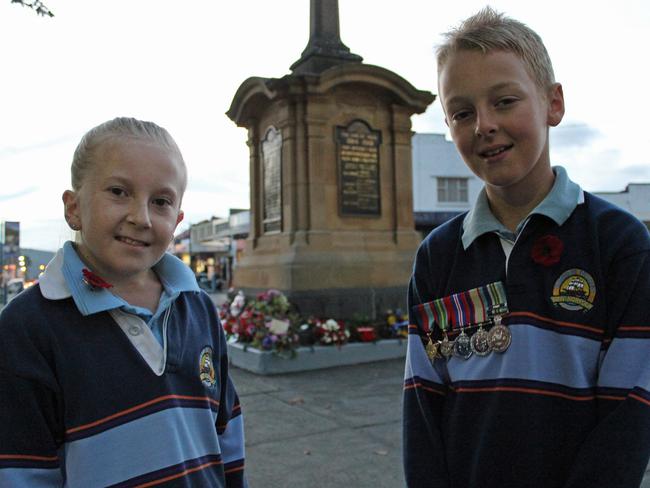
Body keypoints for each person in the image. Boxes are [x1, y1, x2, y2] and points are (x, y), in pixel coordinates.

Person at [403, 7, 650, 488]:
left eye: (505, 101)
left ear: (553, 104)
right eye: (462, 112)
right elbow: (423, 407)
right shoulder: (438, 256)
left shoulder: (620, 245)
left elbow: (630, 413)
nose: (484, 125)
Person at [0, 117, 247, 487]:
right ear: (74, 208)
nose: (141, 217)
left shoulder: (199, 307)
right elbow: (23, 473)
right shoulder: (27, 328)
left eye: (161, 201)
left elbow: (226, 431)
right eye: (118, 192)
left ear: (177, 220)